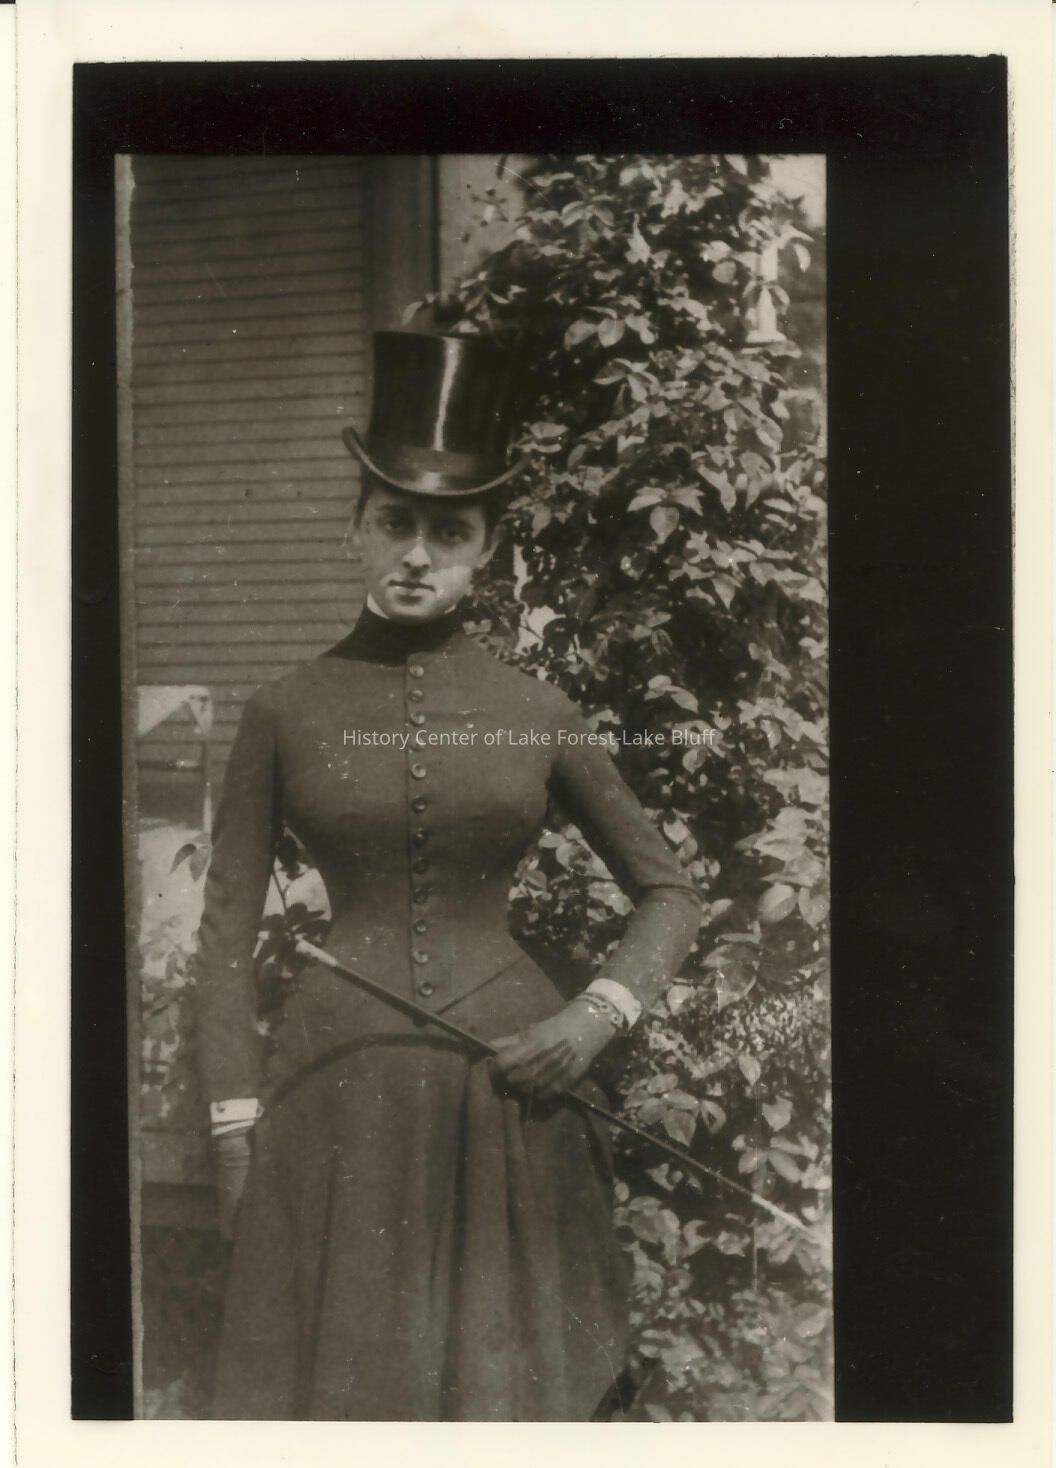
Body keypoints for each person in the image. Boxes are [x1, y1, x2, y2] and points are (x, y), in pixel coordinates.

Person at [194, 330, 702, 1422]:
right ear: (355, 531)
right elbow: (224, 935)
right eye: (396, 524)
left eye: (450, 532)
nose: (418, 555)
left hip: (509, 1096)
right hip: (335, 1103)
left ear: (487, 552)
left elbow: (670, 891)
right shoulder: (283, 710)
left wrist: (592, 1023)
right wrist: (234, 1130)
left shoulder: (538, 712)